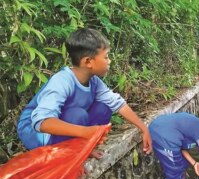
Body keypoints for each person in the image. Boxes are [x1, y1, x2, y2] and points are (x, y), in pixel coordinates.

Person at [17, 28, 152, 156]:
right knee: (77, 114)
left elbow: (118, 103)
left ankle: (81, 149)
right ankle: (69, 155)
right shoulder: (62, 81)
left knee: (104, 108)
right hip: (36, 134)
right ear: (88, 61)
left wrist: (143, 128)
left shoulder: (94, 82)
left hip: (66, 125)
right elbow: (41, 122)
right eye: (106, 57)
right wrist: (85, 132)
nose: (109, 61)